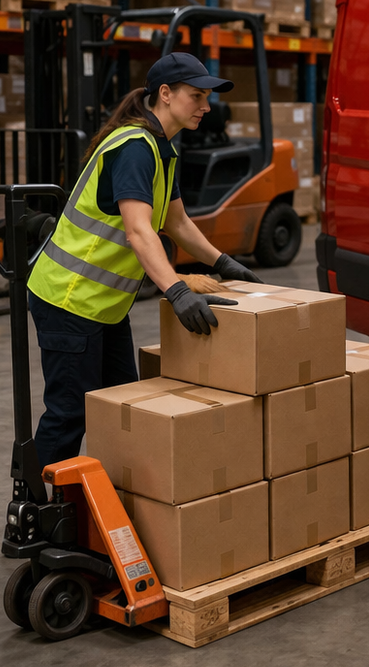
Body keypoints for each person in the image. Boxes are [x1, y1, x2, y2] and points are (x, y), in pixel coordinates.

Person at [26, 52, 261, 465]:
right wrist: (177, 290)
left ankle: (114, 494)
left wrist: (222, 261)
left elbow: (176, 221)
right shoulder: (135, 148)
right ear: (165, 94)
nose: (206, 107)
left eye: (206, 97)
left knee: (124, 404)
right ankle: (37, 500)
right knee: (69, 414)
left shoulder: (160, 149)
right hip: (69, 299)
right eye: (197, 96)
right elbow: (139, 230)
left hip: (105, 306)